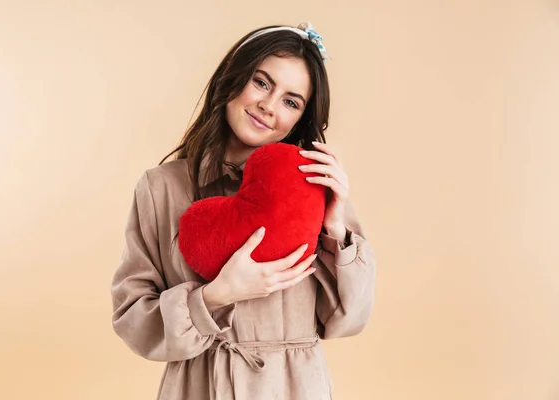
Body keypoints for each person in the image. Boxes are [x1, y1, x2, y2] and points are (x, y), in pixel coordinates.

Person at [111, 22, 377, 400]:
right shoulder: (161, 188)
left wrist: (335, 226)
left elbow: (349, 319)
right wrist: (214, 297)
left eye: (291, 101)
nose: (269, 106)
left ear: (300, 119)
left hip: (294, 389)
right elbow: (133, 319)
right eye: (262, 82)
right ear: (232, 78)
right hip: (199, 387)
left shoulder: (311, 186)